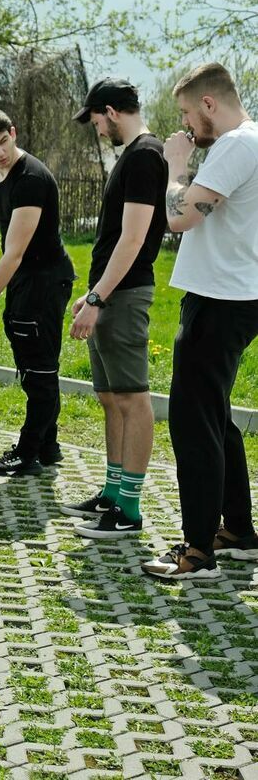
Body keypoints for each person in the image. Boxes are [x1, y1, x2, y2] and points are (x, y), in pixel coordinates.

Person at [141, 62, 258, 580]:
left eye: (188, 112)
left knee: (192, 420)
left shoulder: (235, 145)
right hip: (234, 294)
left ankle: (198, 551)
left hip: (221, 299)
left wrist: (174, 166)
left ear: (209, 104)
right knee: (214, 414)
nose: (187, 125)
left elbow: (179, 217)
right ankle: (237, 530)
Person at [64, 78, 168, 539]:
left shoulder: (145, 154)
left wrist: (99, 297)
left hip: (125, 294)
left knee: (131, 397)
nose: (98, 130)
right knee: (110, 397)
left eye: (96, 121)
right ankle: (111, 491)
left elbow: (134, 238)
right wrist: (92, 293)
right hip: (109, 291)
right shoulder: (133, 154)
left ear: (110, 110)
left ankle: (129, 508)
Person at [0, 106, 76, 476]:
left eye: (3, 142)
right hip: (29, 280)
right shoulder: (2, 172)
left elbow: (14, 253)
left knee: (38, 370)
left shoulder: (30, 179)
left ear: (13, 132)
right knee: (32, 362)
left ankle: (27, 453)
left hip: (43, 280)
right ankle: (48, 445)